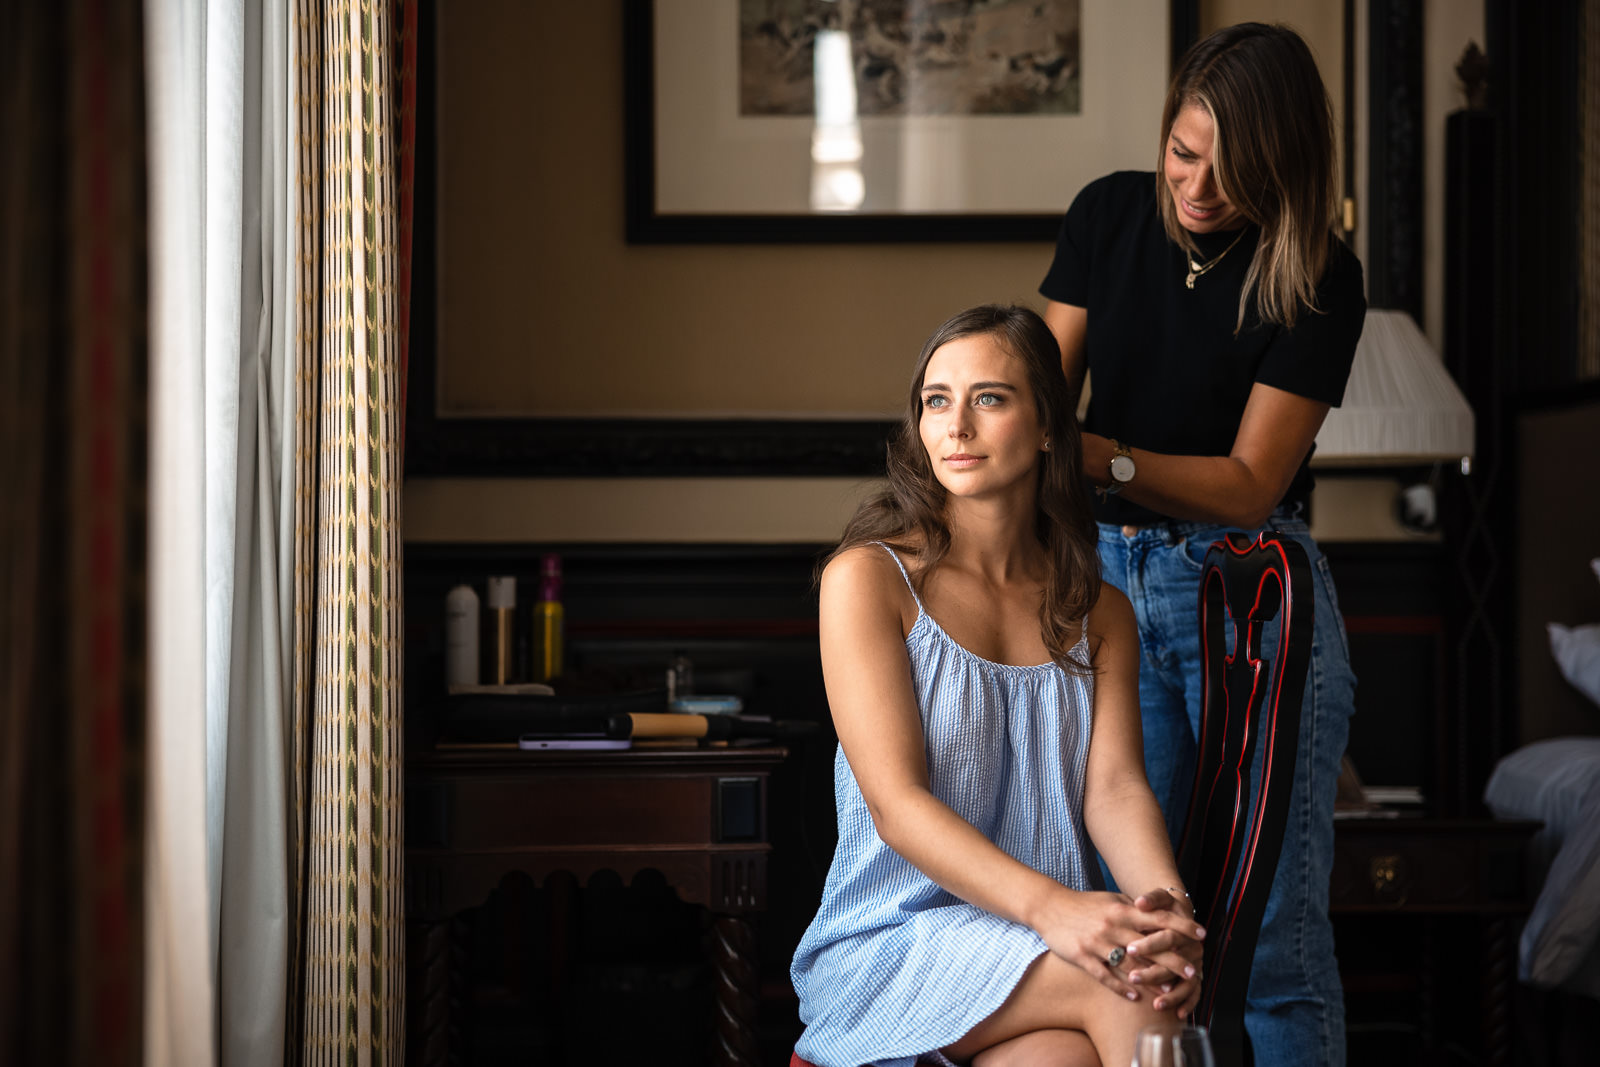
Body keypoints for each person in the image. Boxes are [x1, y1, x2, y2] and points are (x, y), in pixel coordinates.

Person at [1038, 22, 1365, 1067]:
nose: (1198, 187)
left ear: (1284, 166)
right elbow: (1038, 396)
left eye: (1234, 170)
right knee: (1143, 927)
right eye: (1184, 153)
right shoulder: (1105, 216)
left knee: (1270, 940)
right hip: (1106, 590)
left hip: (1248, 590)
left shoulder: (1317, 269)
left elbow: (1248, 483)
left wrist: (1101, 456)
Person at [790, 305, 1207, 1067]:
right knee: (1128, 986)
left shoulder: (1099, 608)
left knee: (1075, 1044)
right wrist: (1059, 913)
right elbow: (897, 807)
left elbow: (1114, 790)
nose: (956, 425)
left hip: (1042, 943)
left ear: (1050, 426)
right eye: (936, 400)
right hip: (893, 942)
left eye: (989, 398)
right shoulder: (868, 581)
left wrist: (1166, 915)